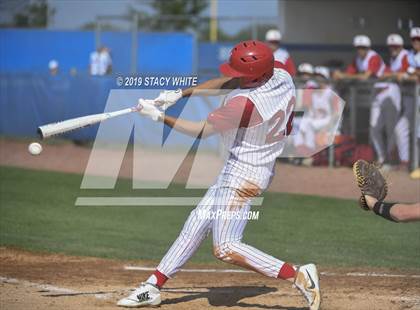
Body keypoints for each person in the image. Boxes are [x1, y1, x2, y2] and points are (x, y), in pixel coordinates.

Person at [117, 40, 321, 310]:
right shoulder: (280, 73)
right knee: (196, 223)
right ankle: (153, 286)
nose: (234, 76)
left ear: (254, 75)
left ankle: (297, 274)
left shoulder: (245, 104)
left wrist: (158, 117)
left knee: (225, 246)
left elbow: (201, 131)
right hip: (249, 166)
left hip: (243, 176)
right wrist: (181, 93)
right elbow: (230, 82)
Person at [382, 34, 411, 168]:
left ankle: (407, 161)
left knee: (404, 129)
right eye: (391, 47)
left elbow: (405, 73)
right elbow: (386, 74)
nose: (393, 49)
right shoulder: (393, 59)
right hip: (403, 97)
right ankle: (403, 161)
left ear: (401, 46)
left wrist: (392, 75)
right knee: (399, 129)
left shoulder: (405, 55)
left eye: (396, 47)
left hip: (413, 96)